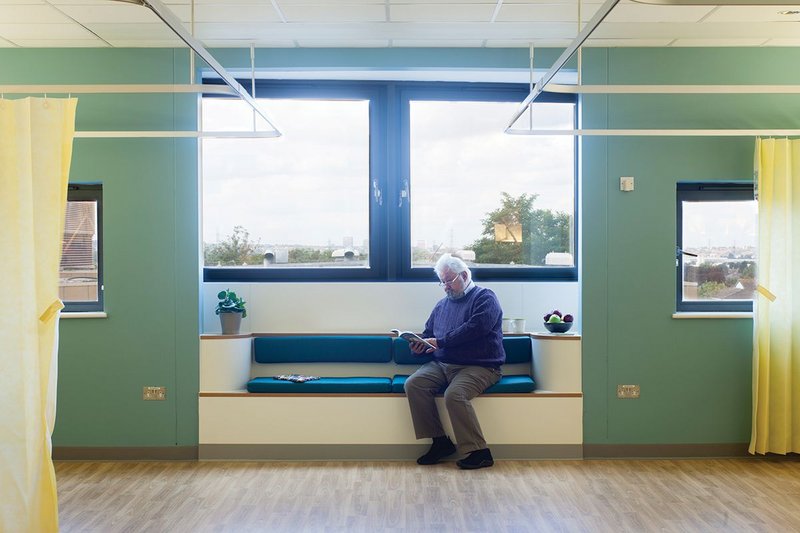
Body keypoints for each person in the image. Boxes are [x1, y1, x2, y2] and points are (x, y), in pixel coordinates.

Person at [404, 254, 505, 470]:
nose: (445, 286)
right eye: (442, 282)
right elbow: (429, 333)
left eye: (449, 280)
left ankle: (480, 452)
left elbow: (476, 328)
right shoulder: (442, 305)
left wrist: (440, 342)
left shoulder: (485, 298)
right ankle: (440, 443)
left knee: (455, 395)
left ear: (465, 275)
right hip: (443, 364)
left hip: (480, 365)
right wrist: (420, 346)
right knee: (414, 384)